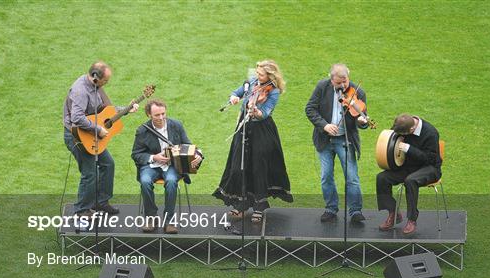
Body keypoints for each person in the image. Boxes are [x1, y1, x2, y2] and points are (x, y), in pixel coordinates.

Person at [213, 60, 293, 223]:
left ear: (270, 75)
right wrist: (234, 97)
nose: (258, 76)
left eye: (261, 74)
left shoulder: (274, 91)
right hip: (244, 128)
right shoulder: (252, 82)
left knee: (259, 168)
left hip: (261, 131)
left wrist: (254, 110)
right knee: (238, 166)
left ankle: (259, 207)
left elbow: (264, 114)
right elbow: (237, 91)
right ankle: (241, 204)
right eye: (257, 73)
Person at [63, 61, 138, 217]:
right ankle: (82, 210)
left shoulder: (96, 87)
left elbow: (105, 111)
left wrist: (126, 109)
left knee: (108, 164)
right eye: (106, 80)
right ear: (96, 77)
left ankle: (100, 202)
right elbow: (77, 118)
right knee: (90, 173)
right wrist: (98, 129)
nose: (107, 83)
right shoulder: (80, 91)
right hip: (78, 136)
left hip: (90, 133)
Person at [305, 63, 368, 223]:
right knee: (326, 176)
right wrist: (324, 125)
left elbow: (363, 119)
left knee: (351, 176)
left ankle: (355, 211)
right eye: (338, 82)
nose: (342, 86)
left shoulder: (358, 92)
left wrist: (362, 121)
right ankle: (331, 209)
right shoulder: (322, 87)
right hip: (325, 139)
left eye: (345, 81)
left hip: (345, 140)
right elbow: (310, 108)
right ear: (331, 78)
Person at [131, 99, 202, 233]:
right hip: (151, 166)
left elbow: (187, 144)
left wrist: (197, 153)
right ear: (149, 115)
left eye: (163, 113)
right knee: (145, 181)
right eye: (157, 115)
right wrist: (153, 157)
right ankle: (151, 217)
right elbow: (136, 154)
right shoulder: (142, 131)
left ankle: (169, 221)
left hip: (172, 165)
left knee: (171, 181)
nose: (161, 117)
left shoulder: (176, 125)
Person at [376, 114, 442, 234]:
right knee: (382, 178)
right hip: (408, 166)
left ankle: (412, 219)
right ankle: (393, 213)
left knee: (410, 181)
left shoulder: (430, 133)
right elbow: (392, 136)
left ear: (411, 130)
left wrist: (409, 149)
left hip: (430, 168)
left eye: (404, 135)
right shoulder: (403, 125)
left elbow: (430, 159)